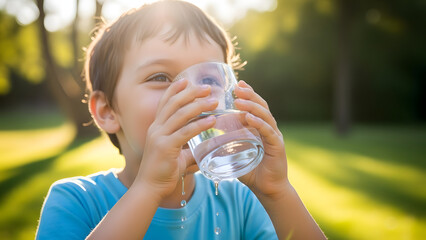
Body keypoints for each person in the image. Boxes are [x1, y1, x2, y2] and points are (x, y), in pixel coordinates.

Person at [36, 1, 326, 239]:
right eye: (160, 78)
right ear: (108, 111)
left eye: (210, 79)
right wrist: (148, 188)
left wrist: (277, 193)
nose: (191, 97)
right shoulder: (76, 201)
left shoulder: (241, 202)